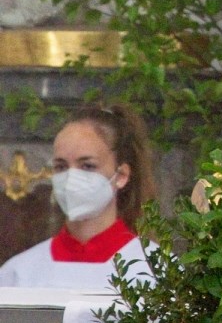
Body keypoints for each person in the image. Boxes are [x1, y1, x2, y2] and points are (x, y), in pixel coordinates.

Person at [0, 104, 158, 291]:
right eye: (61, 166)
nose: (71, 178)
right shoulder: (18, 274)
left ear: (121, 175)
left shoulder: (155, 270)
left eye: (87, 166)